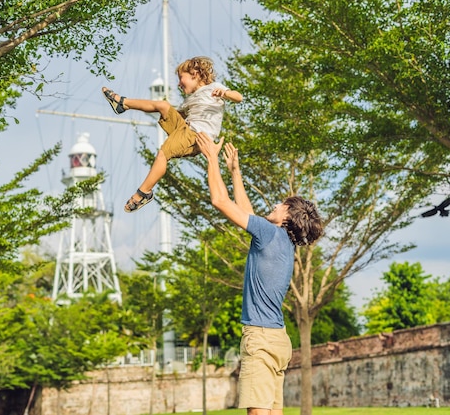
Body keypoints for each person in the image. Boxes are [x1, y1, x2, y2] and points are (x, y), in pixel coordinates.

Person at [195, 132, 324, 415]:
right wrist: (236, 173)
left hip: (261, 338)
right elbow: (248, 215)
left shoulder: (269, 234)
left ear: (287, 216)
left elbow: (219, 200)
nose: (275, 205)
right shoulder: (283, 243)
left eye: (280, 205)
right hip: (278, 340)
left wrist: (211, 159)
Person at [101, 56, 243, 212]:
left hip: (196, 137)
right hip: (186, 129)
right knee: (162, 105)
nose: (179, 83)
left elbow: (238, 97)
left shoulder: (214, 87)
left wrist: (224, 93)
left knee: (163, 154)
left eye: (181, 78)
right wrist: (165, 112)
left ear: (194, 74)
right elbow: (177, 116)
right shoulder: (190, 100)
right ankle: (123, 103)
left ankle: (144, 192)